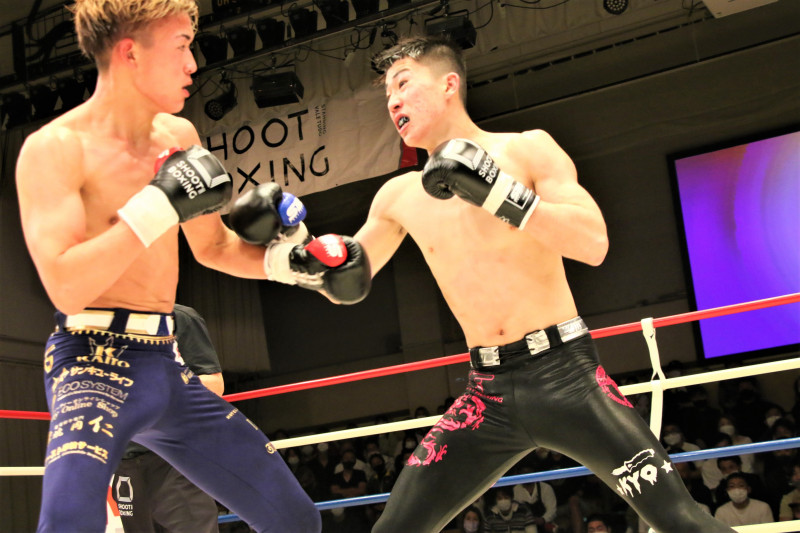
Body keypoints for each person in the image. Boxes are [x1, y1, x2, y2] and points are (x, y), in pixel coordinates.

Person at [356, 36, 735, 533]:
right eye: (388, 93)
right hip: (485, 396)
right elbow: (345, 276)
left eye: (403, 83)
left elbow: (593, 243)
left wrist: (500, 192)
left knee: (680, 520)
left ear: (449, 84)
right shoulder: (397, 195)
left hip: (567, 377)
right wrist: (286, 251)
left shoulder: (527, 149)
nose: (393, 101)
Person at [15, 1, 366, 531]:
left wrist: (295, 265)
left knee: (295, 520)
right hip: (91, 362)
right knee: (68, 523)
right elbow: (65, 285)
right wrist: (157, 204)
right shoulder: (55, 150)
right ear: (131, 53)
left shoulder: (178, 137)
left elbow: (215, 247)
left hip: (166, 363)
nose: (193, 64)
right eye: (180, 45)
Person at [111, 304, 224, 533]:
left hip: (173, 456)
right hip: (125, 460)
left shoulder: (179, 317)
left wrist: (158, 382)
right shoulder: (96, 322)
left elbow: (215, 385)